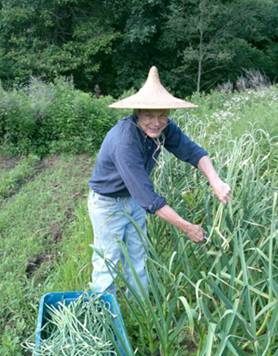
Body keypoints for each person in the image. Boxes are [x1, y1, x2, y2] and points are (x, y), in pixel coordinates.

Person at [87, 66, 231, 296]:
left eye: (162, 115)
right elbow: (148, 198)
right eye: (149, 116)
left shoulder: (165, 128)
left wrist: (216, 181)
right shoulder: (125, 141)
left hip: (133, 201)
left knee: (138, 257)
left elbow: (193, 152)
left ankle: (140, 312)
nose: (156, 122)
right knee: (107, 262)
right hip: (108, 204)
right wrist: (188, 228)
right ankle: (103, 320)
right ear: (137, 112)